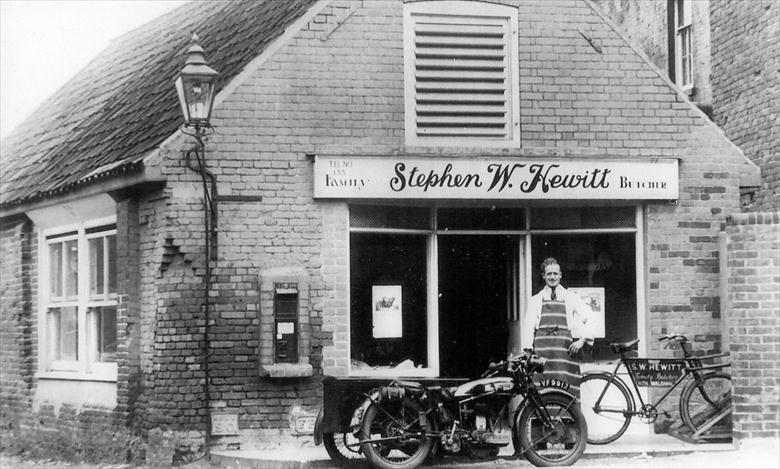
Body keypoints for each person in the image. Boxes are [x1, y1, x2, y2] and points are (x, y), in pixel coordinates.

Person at [522, 257, 594, 398]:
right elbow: (528, 327)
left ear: (560, 275)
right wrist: (528, 353)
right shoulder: (535, 300)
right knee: (542, 393)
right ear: (543, 276)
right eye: (549, 274)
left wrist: (581, 341)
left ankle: (568, 419)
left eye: (555, 274)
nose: (552, 277)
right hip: (542, 357)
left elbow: (590, 317)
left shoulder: (571, 297)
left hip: (564, 356)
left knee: (565, 391)